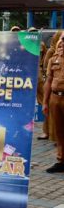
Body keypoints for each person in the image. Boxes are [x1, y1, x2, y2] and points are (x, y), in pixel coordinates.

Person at [43, 39, 64, 173]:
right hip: (55, 98)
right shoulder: (53, 59)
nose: (62, 44)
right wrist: (45, 101)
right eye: (61, 42)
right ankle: (61, 160)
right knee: (59, 131)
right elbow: (48, 81)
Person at [41, 31, 62, 142]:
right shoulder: (52, 53)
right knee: (49, 111)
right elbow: (45, 67)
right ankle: (48, 133)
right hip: (50, 84)